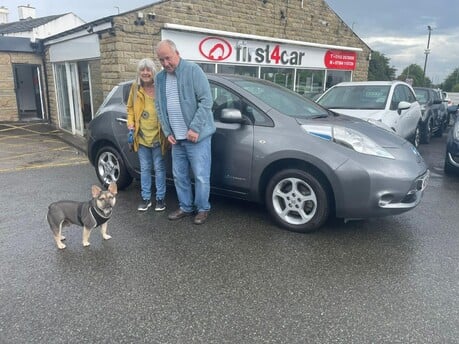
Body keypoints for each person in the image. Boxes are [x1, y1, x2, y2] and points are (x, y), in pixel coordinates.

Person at [154, 39, 216, 225]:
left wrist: (195, 128)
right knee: (179, 175)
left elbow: (206, 101)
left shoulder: (192, 70)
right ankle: (186, 206)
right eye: (161, 60)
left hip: (197, 138)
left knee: (200, 176)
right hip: (177, 139)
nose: (165, 64)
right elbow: (159, 106)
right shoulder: (160, 78)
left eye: (168, 58)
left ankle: (203, 208)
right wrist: (167, 131)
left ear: (177, 53)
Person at [127, 58, 168, 212]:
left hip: (158, 136)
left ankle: (160, 199)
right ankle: (145, 199)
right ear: (139, 72)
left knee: (159, 169)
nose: (145, 73)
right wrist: (130, 123)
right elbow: (130, 108)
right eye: (142, 70)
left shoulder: (160, 88)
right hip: (142, 136)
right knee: (145, 169)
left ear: (153, 72)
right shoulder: (135, 88)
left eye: (148, 70)